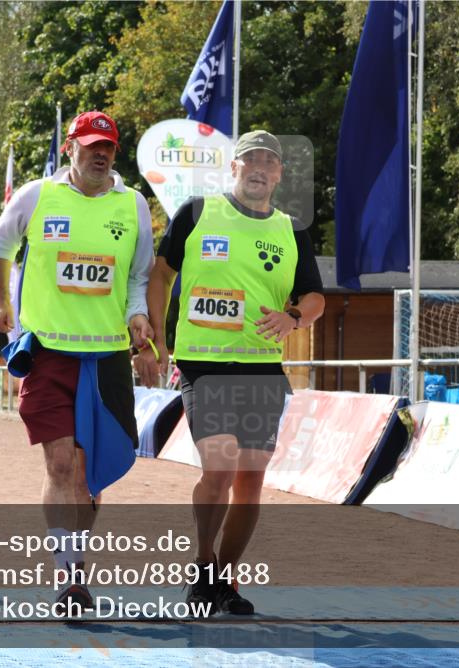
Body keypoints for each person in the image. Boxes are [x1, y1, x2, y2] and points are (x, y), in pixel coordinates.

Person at [137, 130, 325, 616]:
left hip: (263, 369)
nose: (260, 168)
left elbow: (314, 297)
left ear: (280, 173)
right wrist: (158, 335)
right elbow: (161, 273)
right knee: (217, 470)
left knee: (250, 482)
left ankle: (225, 581)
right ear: (234, 168)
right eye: (250, 161)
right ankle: (202, 566)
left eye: (269, 161)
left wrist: (294, 318)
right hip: (204, 365)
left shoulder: (292, 230)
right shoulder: (199, 213)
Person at [0, 111, 154, 611]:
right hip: (48, 355)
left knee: (89, 477)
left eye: (109, 147)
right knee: (61, 464)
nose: (100, 154)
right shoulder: (38, 196)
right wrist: (1, 302)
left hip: (105, 360)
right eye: (91, 145)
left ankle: (75, 556)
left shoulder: (133, 205)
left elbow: (138, 276)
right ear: (70, 149)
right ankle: (69, 576)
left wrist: (138, 316)